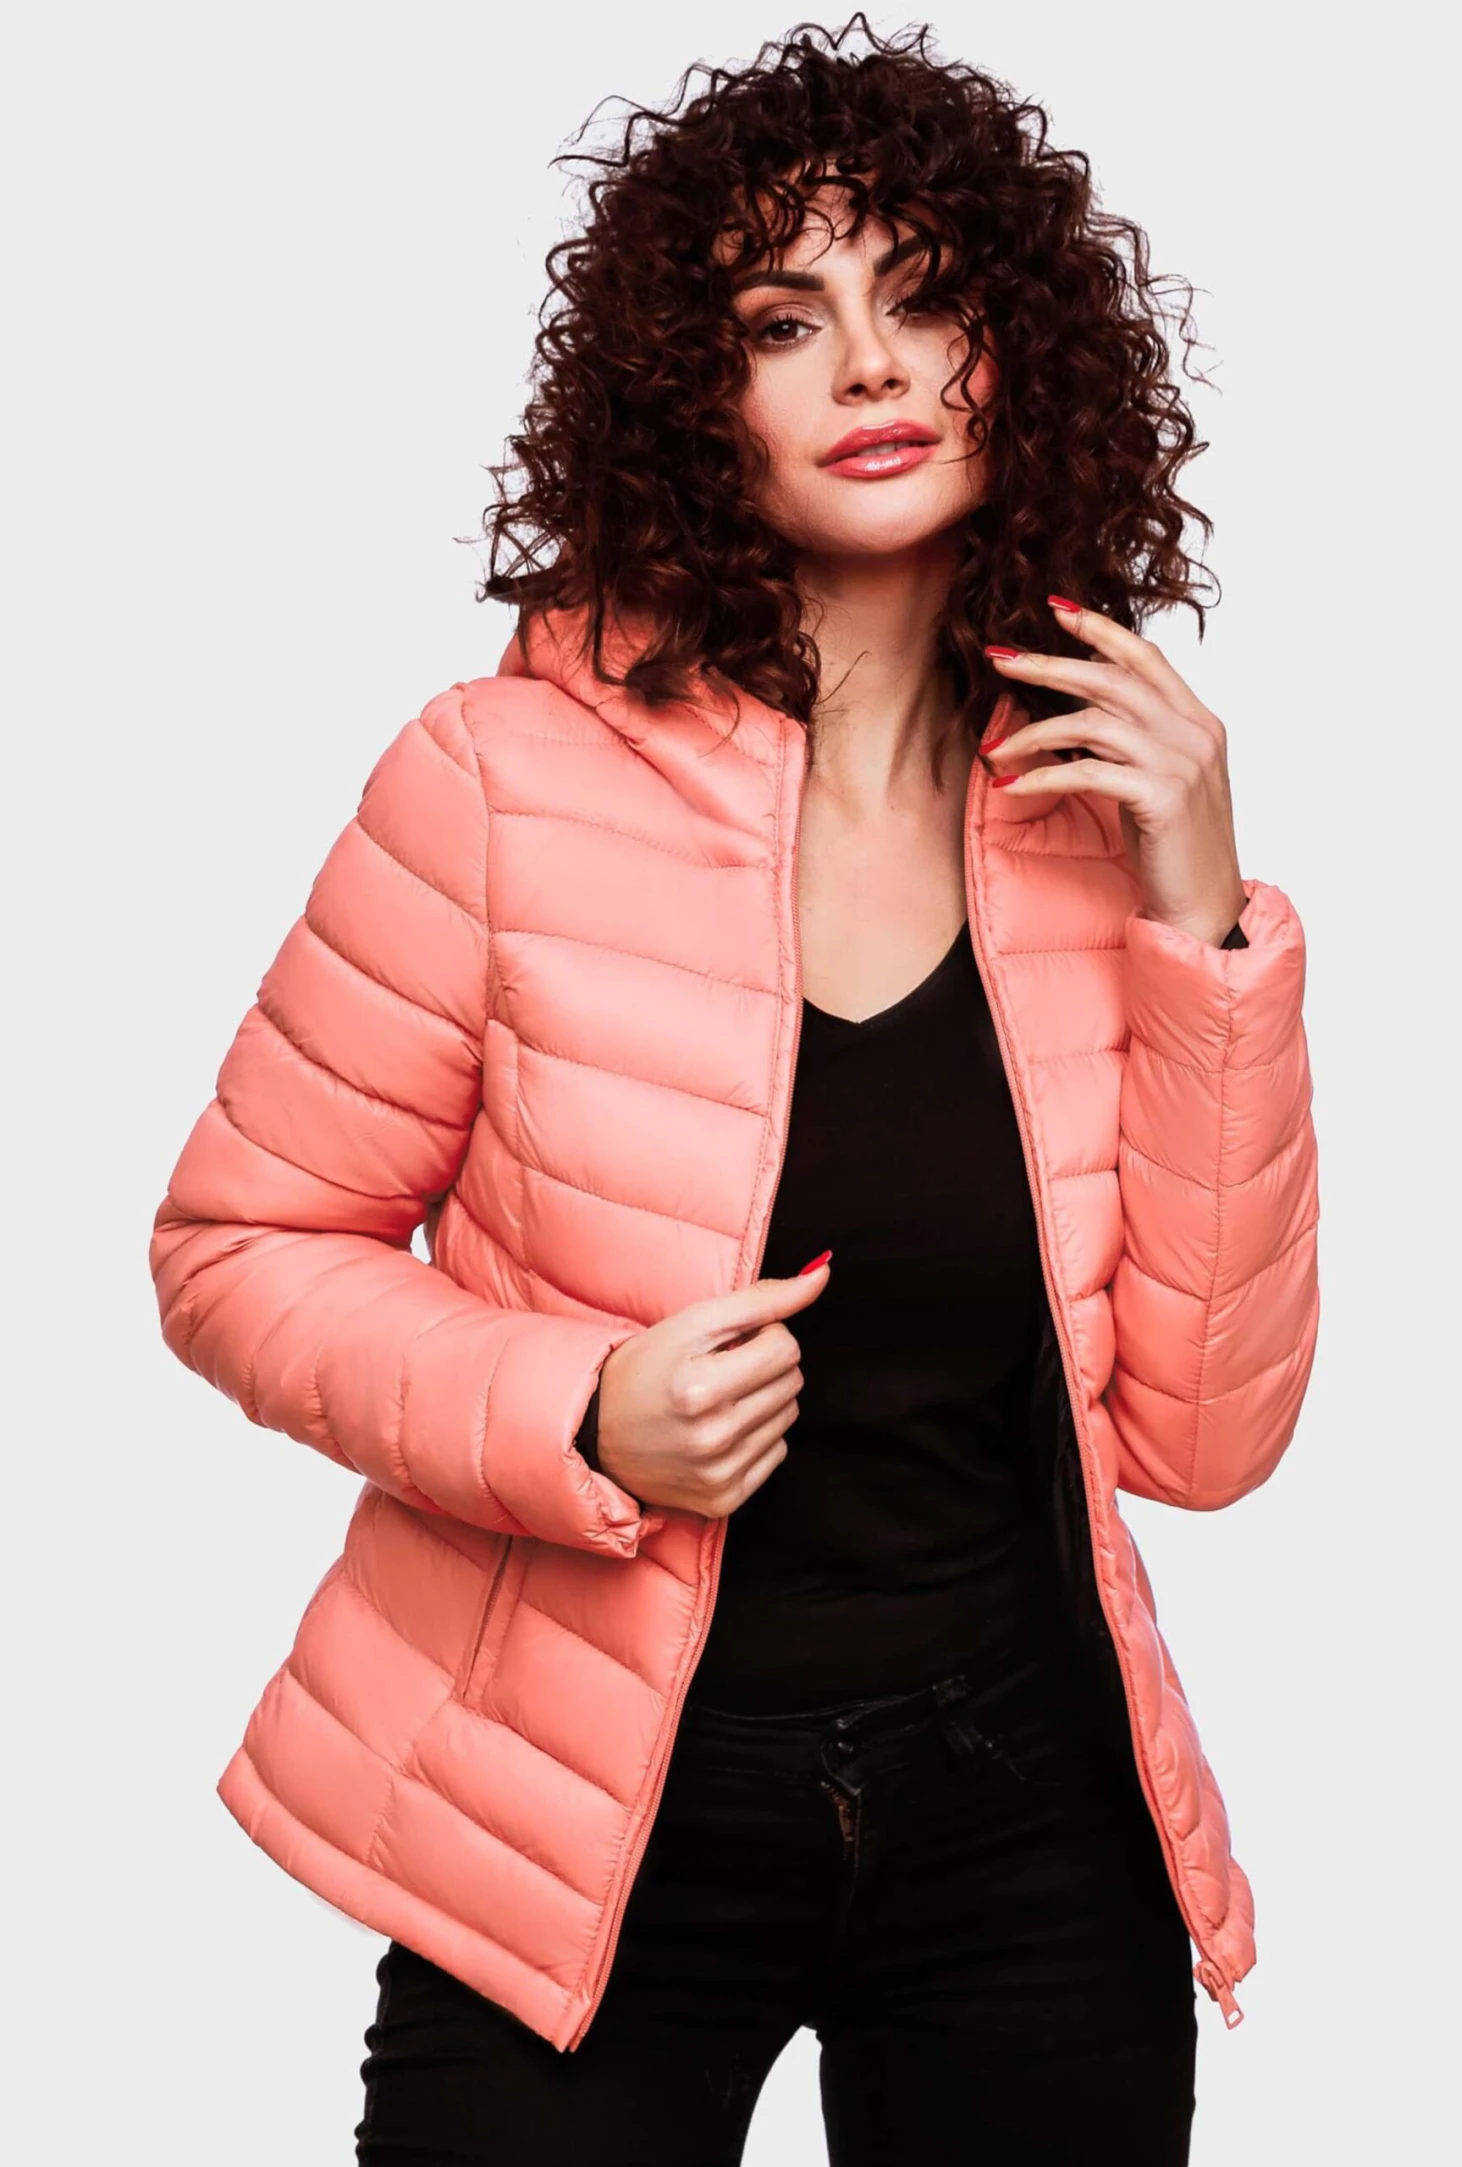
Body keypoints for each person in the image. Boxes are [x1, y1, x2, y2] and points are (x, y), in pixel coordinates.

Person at [148, 19, 1319, 2164]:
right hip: (582, 1820)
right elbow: (237, 1250)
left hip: (1029, 1815)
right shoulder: (495, 780)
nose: (870, 365)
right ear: (693, 397)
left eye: (925, 297)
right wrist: (580, 1411)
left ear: (1019, 350)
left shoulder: (1109, 832)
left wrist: (1209, 921)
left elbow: (1206, 1441)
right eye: (788, 321)